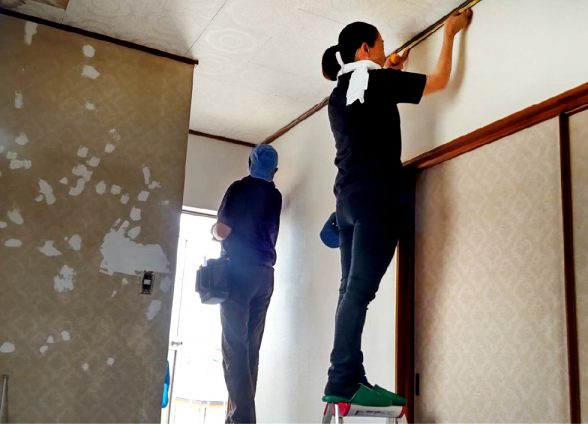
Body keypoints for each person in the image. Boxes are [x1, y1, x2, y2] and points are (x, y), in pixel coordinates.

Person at [320, 10, 472, 406]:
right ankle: (341, 378)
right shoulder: (377, 82)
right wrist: (450, 33)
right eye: (380, 44)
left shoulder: (338, 94)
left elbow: (367, 105)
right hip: (376, 201)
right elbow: (440, 81)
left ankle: (350, 375)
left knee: (349, 291)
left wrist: (388, 69)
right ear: (364, 48)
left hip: (346, 203)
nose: (385, 49)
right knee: (358, 292)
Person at [212, 144, 282, 423]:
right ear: (275, 170)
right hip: (265, 276)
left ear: (250, 163)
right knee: (251, 348)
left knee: (234, 347)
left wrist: (213, 232)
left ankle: (242, 419)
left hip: (238, 273)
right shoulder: (275, 196)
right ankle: (240, 417)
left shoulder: (239, 189)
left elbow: (222, 230)